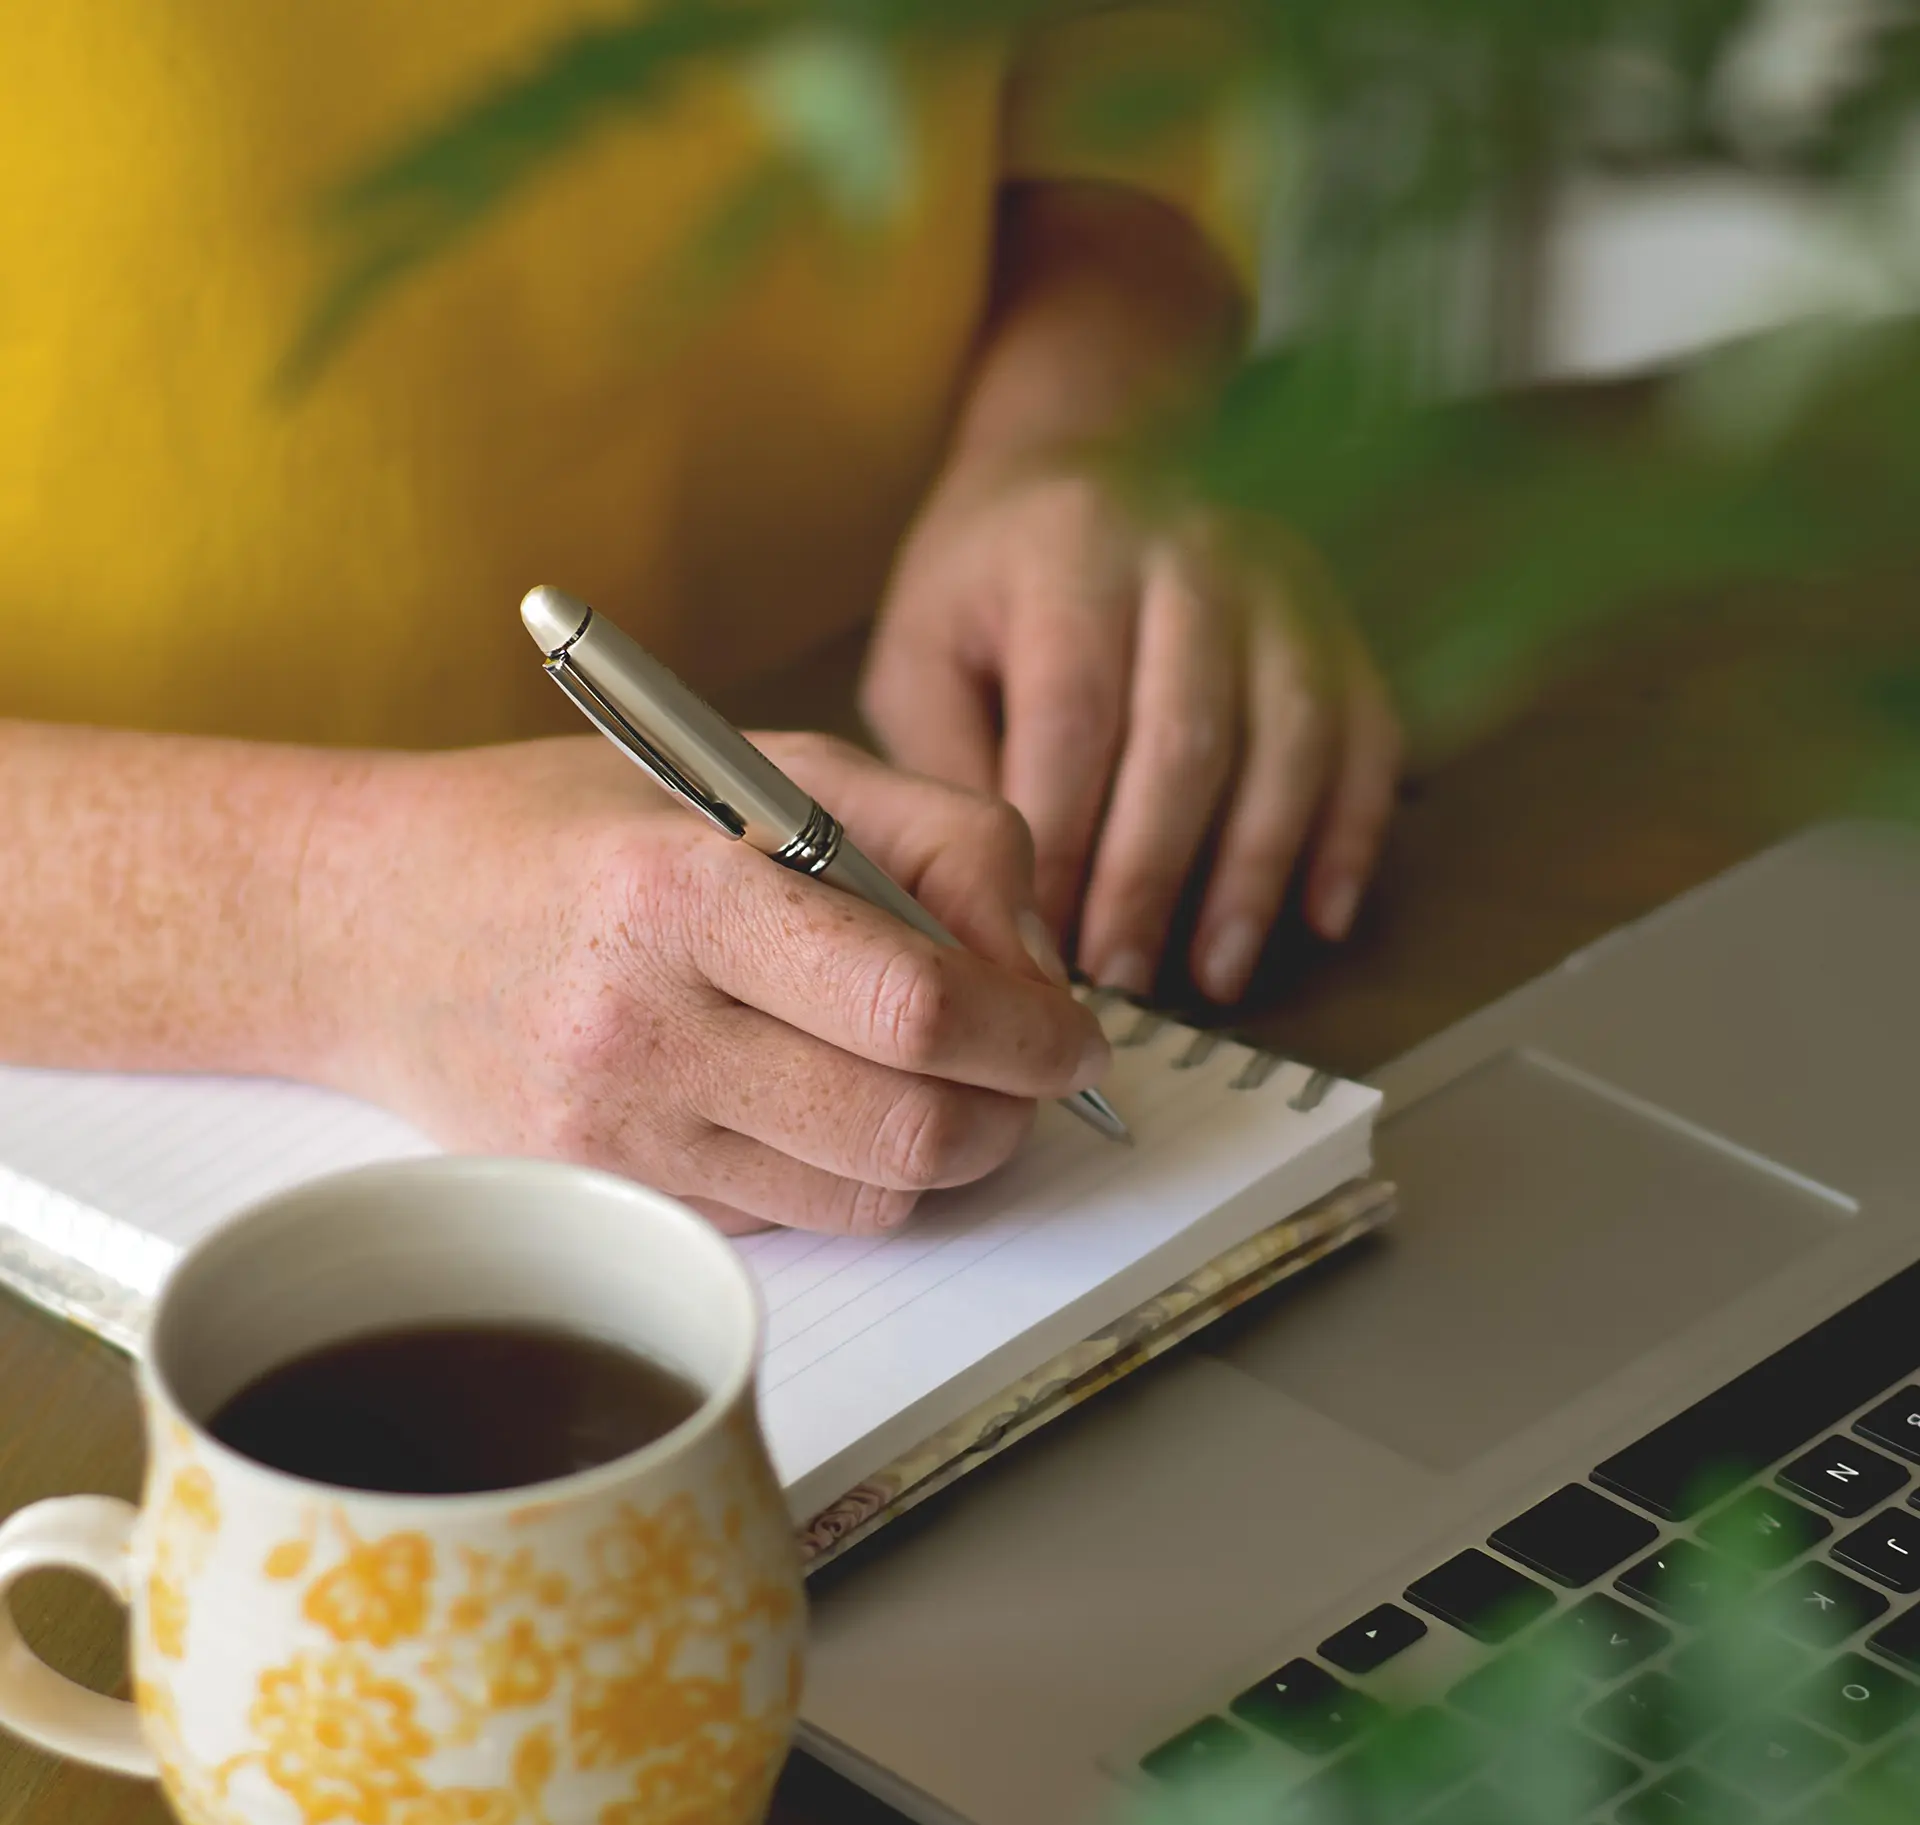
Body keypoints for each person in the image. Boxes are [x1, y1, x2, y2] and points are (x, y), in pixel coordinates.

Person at [0, 4, 1399, 1235]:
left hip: (930, 726)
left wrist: (1081, 427)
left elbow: (1119, 72)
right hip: (115, 1008)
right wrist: (328, 910)